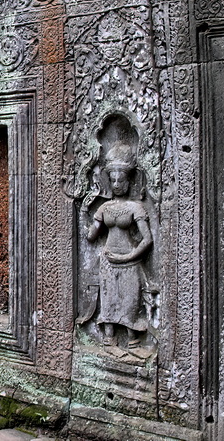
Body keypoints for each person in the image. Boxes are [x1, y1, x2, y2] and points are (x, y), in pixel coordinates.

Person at [86, 150, 154, 355]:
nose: (116, 184)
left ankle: (133, 341)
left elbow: (147, 239)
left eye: (120, 180)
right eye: (113, 180)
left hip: (129, 260)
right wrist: (85, 209)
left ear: (128, 181)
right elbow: (91, 236)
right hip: (108, 260)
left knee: (130, 300)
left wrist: (129, 256)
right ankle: (109, 339)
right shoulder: (105, 207)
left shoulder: (136, 207)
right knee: (109, 300)